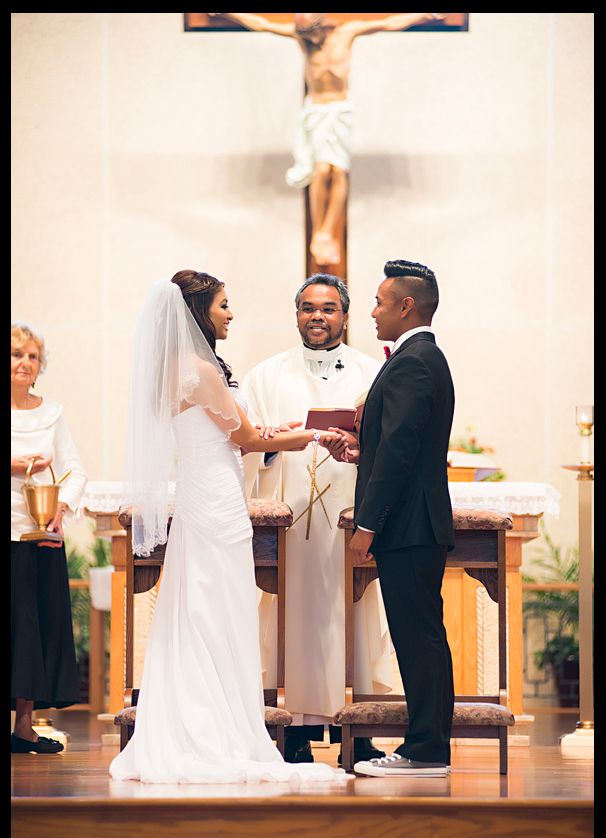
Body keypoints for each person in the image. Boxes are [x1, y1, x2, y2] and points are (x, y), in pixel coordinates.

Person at [109, 271, 349, 785]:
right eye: (223, 304)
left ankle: (195, 717)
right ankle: (217, 729)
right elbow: (240, 437)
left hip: (203, 492)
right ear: (198, 312)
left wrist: (276, 430)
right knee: (219, 606)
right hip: (218, 498)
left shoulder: (174, 368)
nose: (230, 313)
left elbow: (233, 432)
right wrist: (312, 434)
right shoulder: (199, 368)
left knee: (199, 604)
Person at [241, 273, 392, 766]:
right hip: (291, 522)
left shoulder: (374, 373)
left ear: (345, 316)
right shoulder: (266, 375)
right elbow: (250, 447)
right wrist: (271, 451)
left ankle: (362, 725)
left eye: (328, 309)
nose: (317, 317)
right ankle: (294, 729)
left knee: (359, 612)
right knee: (286, 616)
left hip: (350, 519)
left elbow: (387, 445)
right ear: (297, 315)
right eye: (308, 308)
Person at [329, 260, 455, 777]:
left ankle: (427, 750)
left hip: (407, 525)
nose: (373, 313)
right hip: (412, 522)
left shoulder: (413, 361)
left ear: (406, 306)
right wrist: (363, 452)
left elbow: (404, 449)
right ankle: (426, 746)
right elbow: (400, 443)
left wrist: (367, 524)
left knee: (418, 635)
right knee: (418, 634)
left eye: (380, 303)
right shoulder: (420, 358)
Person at [212, 13, 444, 266]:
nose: (307, 40)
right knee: (321, 170)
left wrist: (425, 15)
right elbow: (262, 24)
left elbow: (387, 23)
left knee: (338, 170)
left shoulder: (347, 33)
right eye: (303, 35)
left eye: (310, 33)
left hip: (340, 110)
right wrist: (227, 14)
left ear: (321, 26)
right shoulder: (303, 39)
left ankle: (327, 231)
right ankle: (319, 230)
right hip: (316, 111)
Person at [11, 324, 88, 753]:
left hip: (37, 536)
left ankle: (24, 725)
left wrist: (60, 510)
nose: (24, 363)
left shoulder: (52, 413)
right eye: (16, 355)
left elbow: (76, 469)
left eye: (32, 357)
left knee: (32, 629)